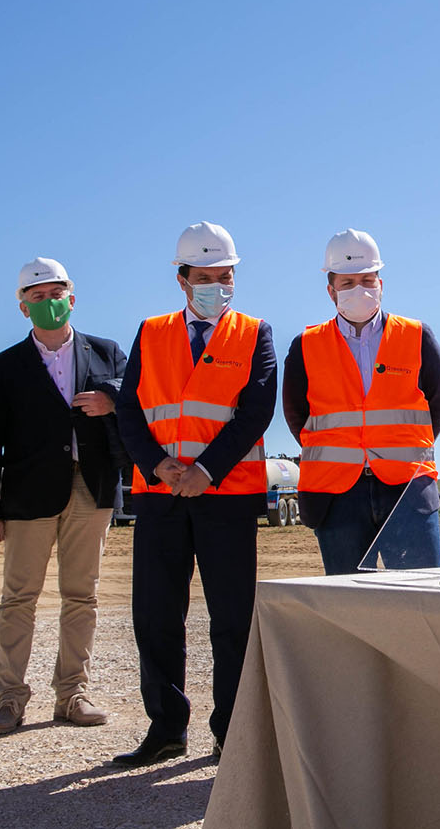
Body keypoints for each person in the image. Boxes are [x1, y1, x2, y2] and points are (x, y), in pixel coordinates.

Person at [113, 222, 276, 765]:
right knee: (156, 615)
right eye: (204, 277)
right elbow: (130, 409)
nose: (216, 285)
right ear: (182, 279)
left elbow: (255, 412)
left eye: (224, 276)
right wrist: (159, 466)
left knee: (232, 619)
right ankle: (165, 729)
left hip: (225, 495)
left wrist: (206, 470)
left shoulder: (255, 333)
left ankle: (232, 730)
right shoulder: (151, 331)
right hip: (159, 494)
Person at [0, 257, 129, 735]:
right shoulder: (4, 367)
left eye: (56, 294)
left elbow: (139, 399)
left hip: (92, 487)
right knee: (18, 598)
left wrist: (112, 400)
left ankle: (72, 694)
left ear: (72, 298)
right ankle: (11, 699)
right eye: (37, 297)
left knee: (82, 595)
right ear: (23, 308)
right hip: (27, 495)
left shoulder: (107, 353)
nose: (49, 303)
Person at [281, 229, 440, 574]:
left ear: (381, 284)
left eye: (367, 280)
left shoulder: (416, 336)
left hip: (407, 489)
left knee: (418, 601)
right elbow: (297, 414)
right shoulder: (306, 345)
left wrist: (402, 446)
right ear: (331, 291)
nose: (359, 290)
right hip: (337, 494)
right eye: (347, 283)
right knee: (349, 606)